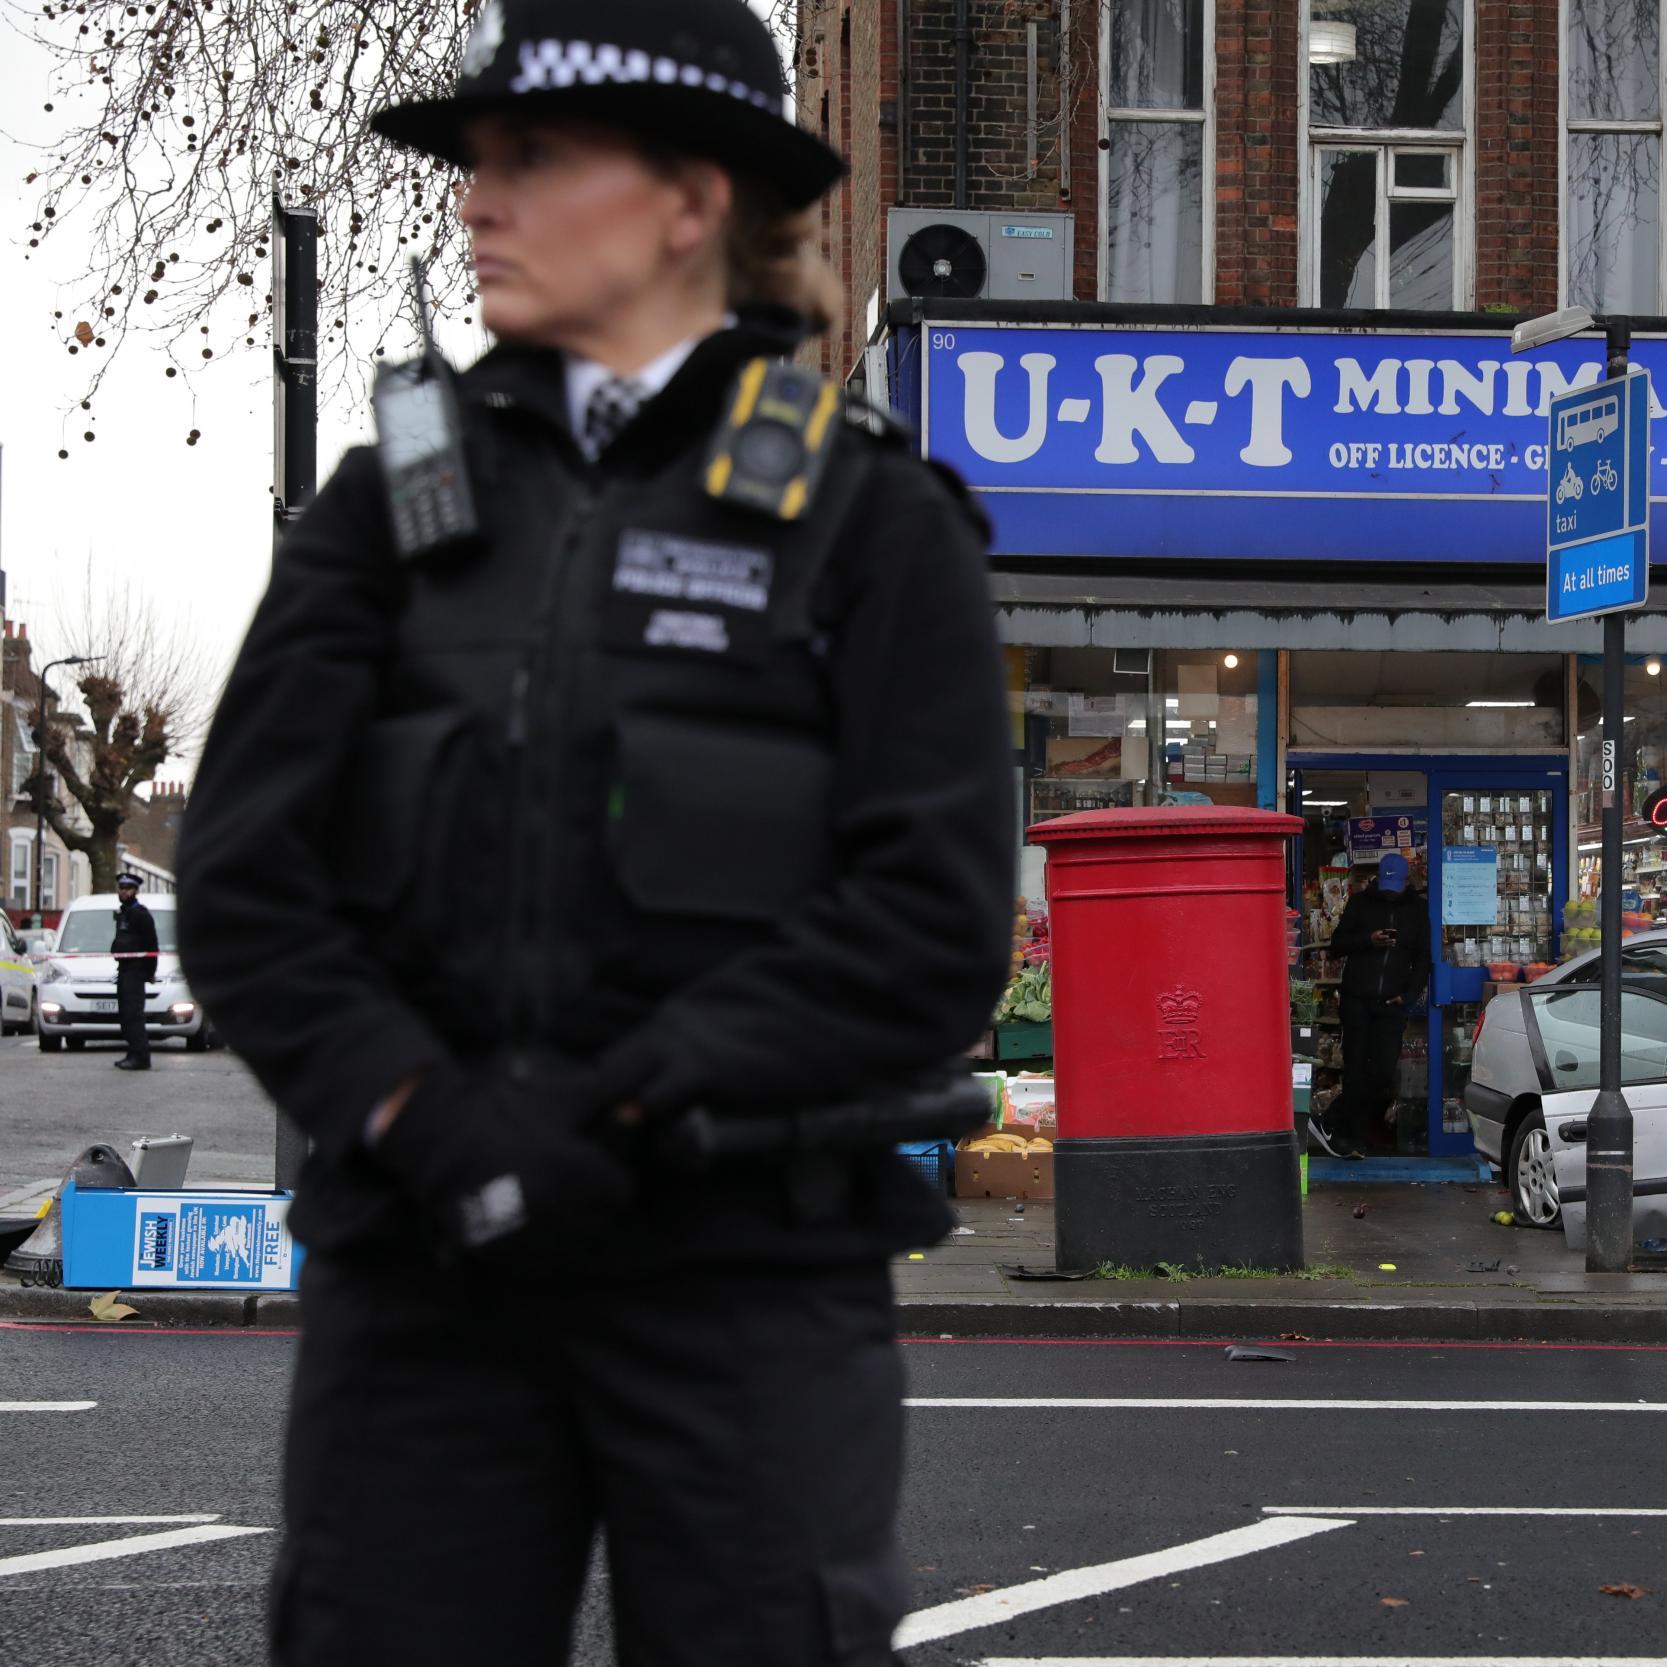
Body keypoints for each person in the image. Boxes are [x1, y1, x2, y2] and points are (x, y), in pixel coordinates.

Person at [175, 1, 1013, 1661]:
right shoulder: (383, 510)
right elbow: (249, 878)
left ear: (690, 198)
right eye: (476, 162)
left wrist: (618, 1103)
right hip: (426, 1277)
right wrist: (429, 1117)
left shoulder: (870, 520)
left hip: (745, 1283)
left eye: (532, 157)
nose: (478, 198)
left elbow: (929, 919)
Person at [1319, 851, 1429, 1158]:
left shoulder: (1418, 911)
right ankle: (1348, 1138)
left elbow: (1423, 959)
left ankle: (1334, 1118)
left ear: (1407, 881)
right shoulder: (1360, 903)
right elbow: (1337, 946)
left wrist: (1407, 996)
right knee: (1354, 1069)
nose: (1390, 891)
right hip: (1356, 999)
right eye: (1386, 884)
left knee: (1381, 1070)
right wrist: (1369, 939)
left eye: (1396, 885)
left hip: (1391, 1003)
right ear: (1378, 878)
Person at [109, 873, 157, 1072]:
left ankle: (141, 1056)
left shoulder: (141, 914)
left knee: (133, 1015)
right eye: (121, 888)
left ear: (136, 890)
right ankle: (132, 1052)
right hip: (125, 970)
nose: (123, 892)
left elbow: (152, 945)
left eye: (128, 888)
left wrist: (149, 972)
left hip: (136, 971)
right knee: (125, 1015)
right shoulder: (125, 913)